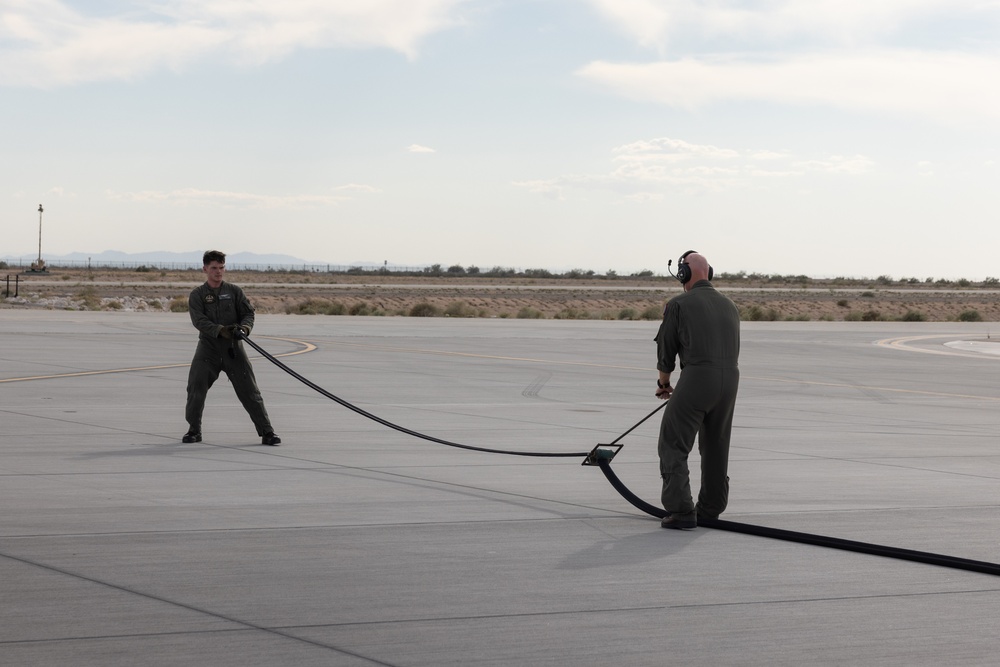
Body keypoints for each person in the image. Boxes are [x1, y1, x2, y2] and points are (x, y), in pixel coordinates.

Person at [654, 251, 740, 529]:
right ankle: (711, 508)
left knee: (673, 442)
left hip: (698, 377)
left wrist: (664, 383)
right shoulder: (729, 305)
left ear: (684, 273)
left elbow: (666, 350)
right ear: (709, 272)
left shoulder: (678, 304)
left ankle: (681, 510)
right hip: (730, 381)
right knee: (716, 445)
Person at [182, 250, 281, 446]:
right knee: (196, 388)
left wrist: (244, 328)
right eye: (214, 268)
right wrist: (220, 330)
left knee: (250, 391)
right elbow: (199, 321)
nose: (218, 272)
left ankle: (267, 432)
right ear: (205, 269)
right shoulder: (198, 295)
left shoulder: (235, 292)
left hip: (233, 348)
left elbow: (248, 314)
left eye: (221, 268)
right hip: (208, 349)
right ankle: (194, 430)